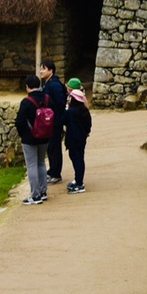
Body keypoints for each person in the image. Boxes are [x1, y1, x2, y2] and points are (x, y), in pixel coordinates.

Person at [16, 75, 57, 204]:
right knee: (41, 163)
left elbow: (20, 121)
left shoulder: (26, 102)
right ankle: (43, 191)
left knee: (31, 165)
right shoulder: (47, 98)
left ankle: (35, 195)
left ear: (27, 87)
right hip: (45, 136)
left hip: (30, 137)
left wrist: (24, 134)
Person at [38, 60, 69, 186]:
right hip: (50, 121)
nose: (41, 71)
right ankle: (52, 171)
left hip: (54, 121)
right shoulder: (48, 83)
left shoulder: (54, 85)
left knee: (54, 147)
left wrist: (56, 120)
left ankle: (56, 173)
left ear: (51, 70)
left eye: (43, 69)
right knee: (50, 147)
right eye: (41, 68)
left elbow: (60, 104)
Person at [63, 78, 92, 193]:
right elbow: (88, 125)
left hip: (73, 139)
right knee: (80, 158)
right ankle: (78, 179)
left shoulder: (70, 112)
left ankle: (79, 184)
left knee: (76, 159)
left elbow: (62, 121)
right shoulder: (84, 111)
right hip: (82, 138)